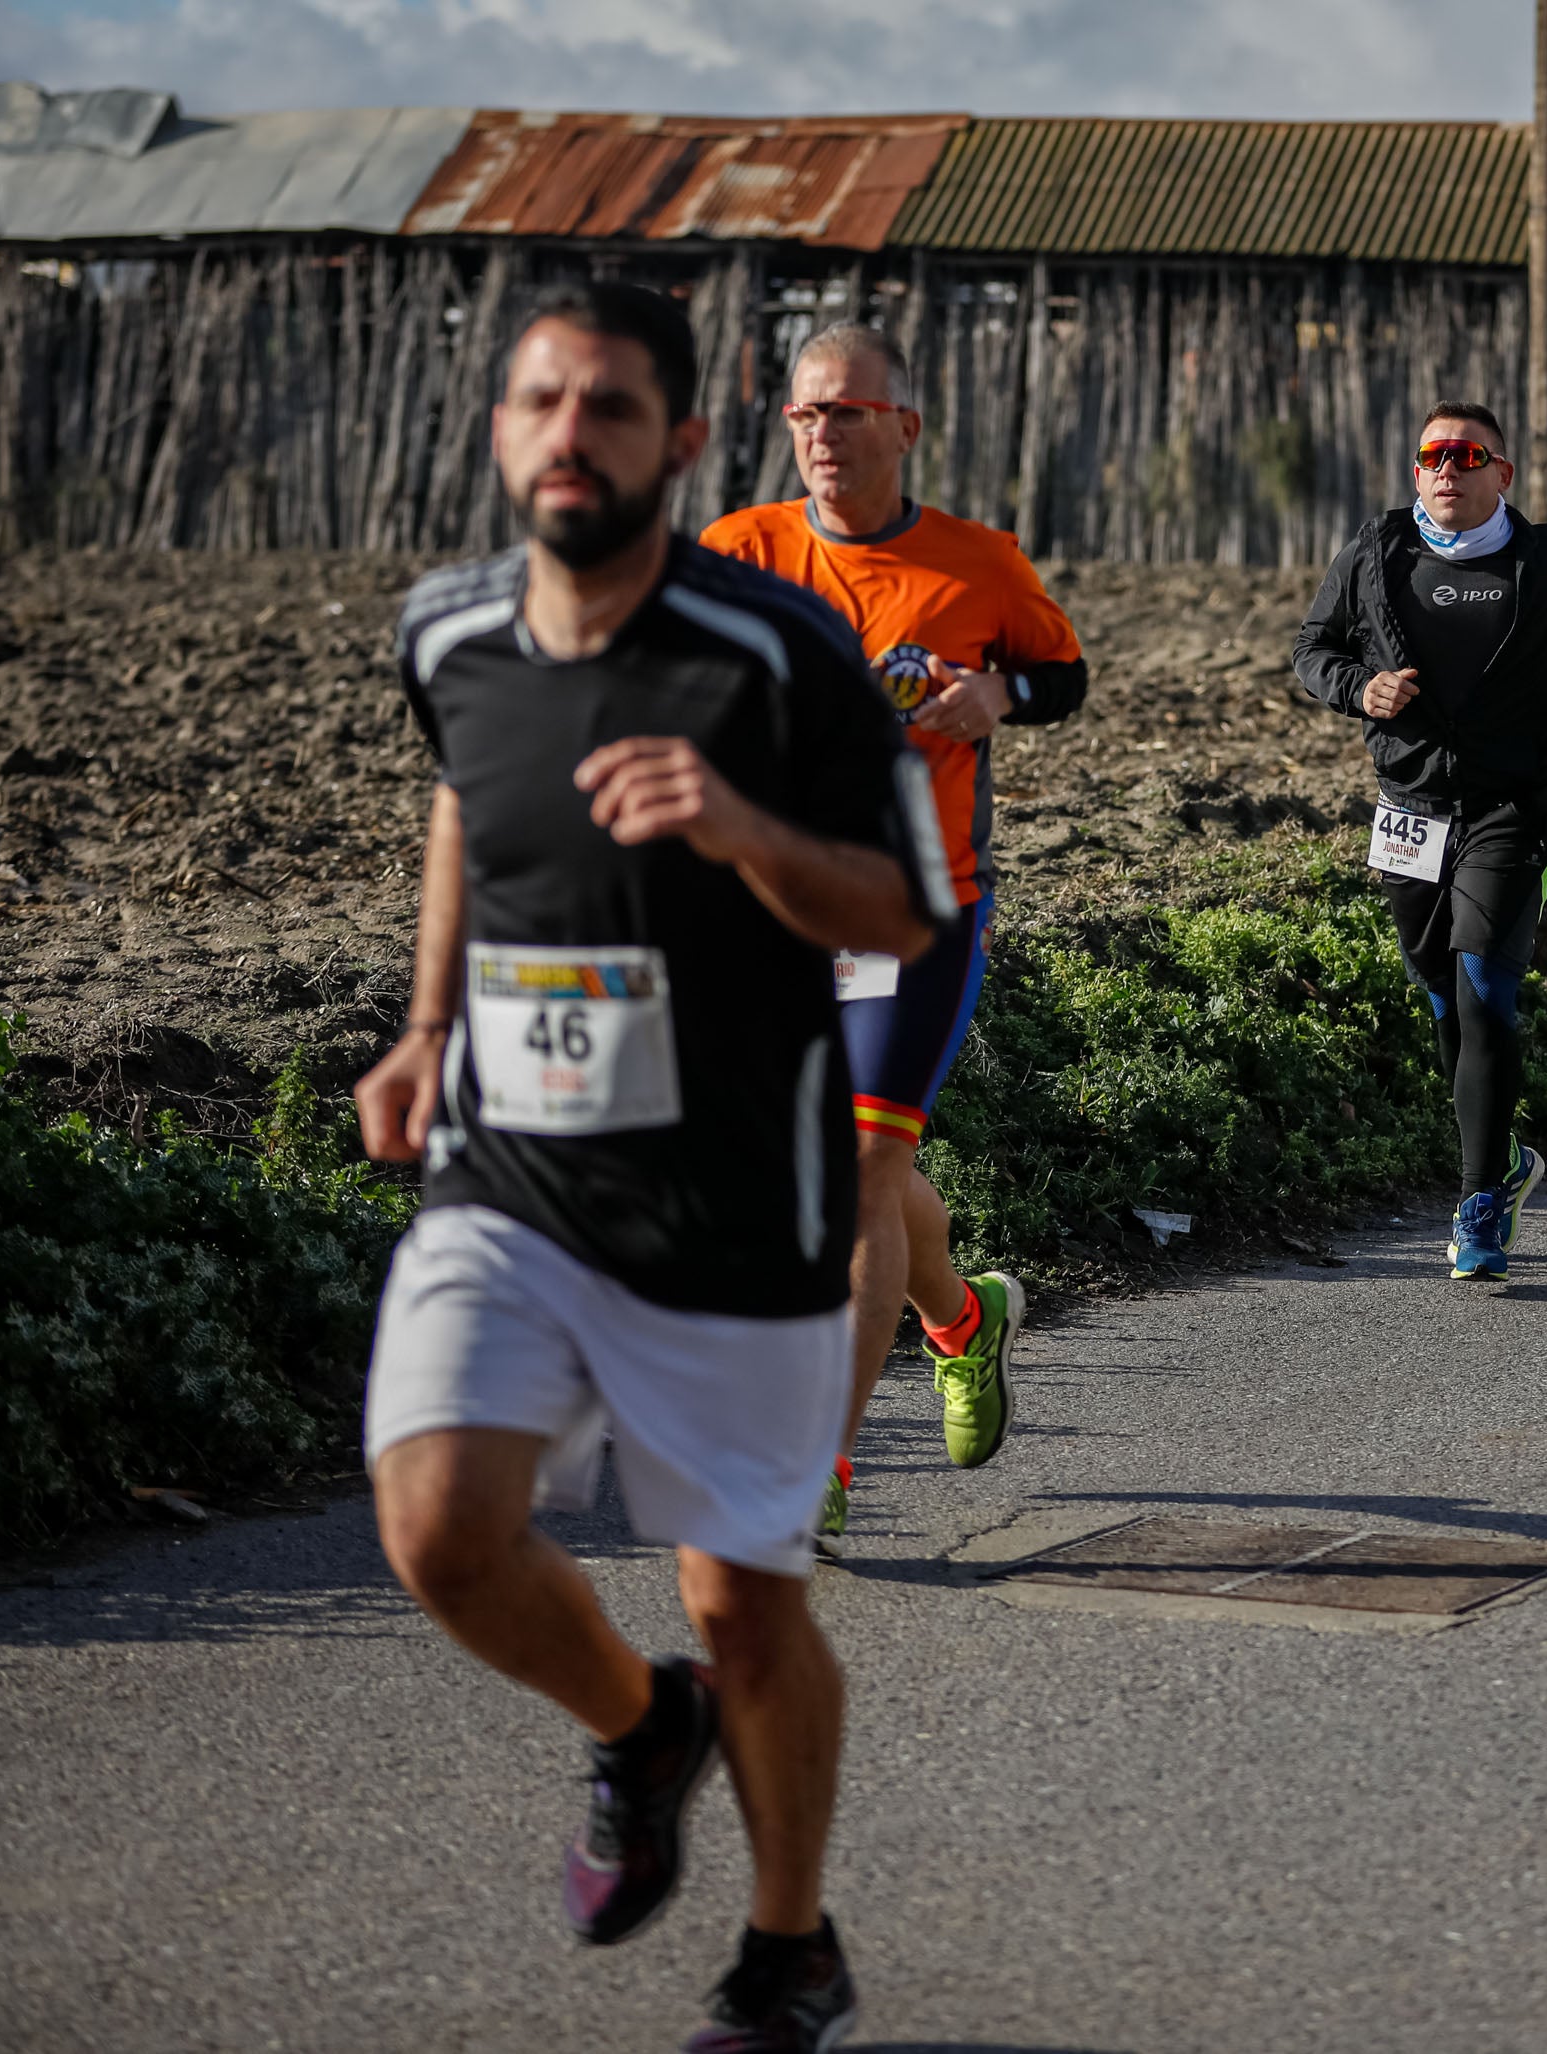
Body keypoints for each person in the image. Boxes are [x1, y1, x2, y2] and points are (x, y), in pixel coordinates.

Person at [354, 283, 950, 2053]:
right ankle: (636, 1723)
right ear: (499, 429)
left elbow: (906, 909)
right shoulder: (448, 632)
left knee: (744, 1607)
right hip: (511, 1175)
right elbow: (471, 799)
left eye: (609, 406)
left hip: (733, 1205)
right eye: (540, 400)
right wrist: (421, 1021)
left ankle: (789, 1948)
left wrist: (741, 821)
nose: (568, 431)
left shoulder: (777, 658)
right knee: (439, 1523)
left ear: (680, 444)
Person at [702, 323, 1085, 1538]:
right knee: (846, 1166)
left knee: (862, 1169)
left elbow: (1064, 676)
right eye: (808, 414)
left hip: (919, 916)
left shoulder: (977, 565)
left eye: (851, 412)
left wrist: (1001, 694)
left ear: (905, 428)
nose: (825, 433)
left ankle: (819, 1460)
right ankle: (964, 1320)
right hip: (770, 915)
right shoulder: (737, 552)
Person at [1293, 401, 1547, 1279]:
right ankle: (1509, 1159)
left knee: (1483, 986)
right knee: (1442, 998)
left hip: (1512, 806)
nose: (1448, 468)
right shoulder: (1378, 548)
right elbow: (1312, 648)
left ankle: (1481, 1202)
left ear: (1502, 475)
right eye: (1433, 455)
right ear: (1417, 473)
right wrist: (1357, 688)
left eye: (1468, 455)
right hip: (1408, 805)